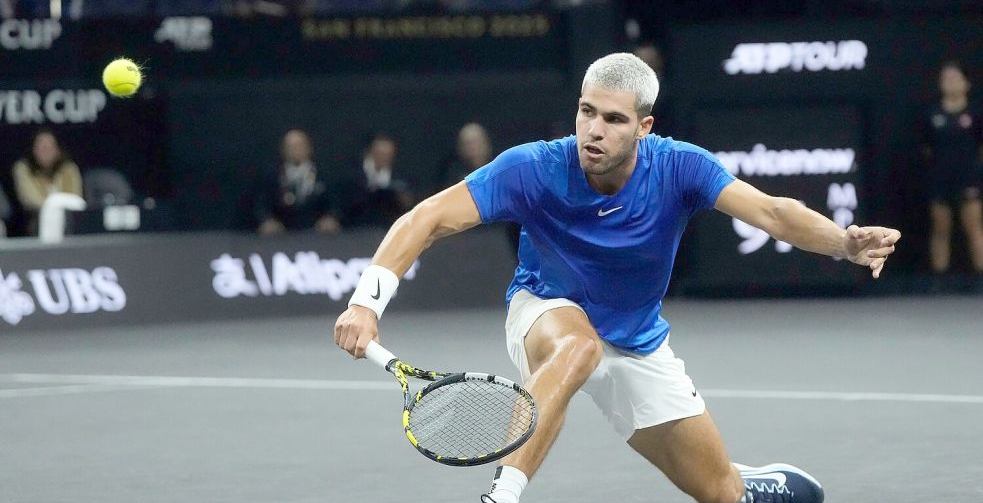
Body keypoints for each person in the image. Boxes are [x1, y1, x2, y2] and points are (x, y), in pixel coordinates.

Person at [334, 53, 901, 503]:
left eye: (613, 119)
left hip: (636, 341)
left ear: (644, 127)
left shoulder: (681, 166)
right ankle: (502, 496)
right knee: (577, 348)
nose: (594, 130)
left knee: (721, 493)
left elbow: (774, 213)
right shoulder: (531, 168)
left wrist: (843, 243)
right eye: (586, 112)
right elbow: (425, 219)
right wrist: (366, 302)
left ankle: (751, 485)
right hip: (545, 310)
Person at [921, 61, 983, 276]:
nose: (951, 83)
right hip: (940, 179)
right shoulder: (932, 114)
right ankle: (939, 279)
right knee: (940, 230)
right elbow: (926, 147)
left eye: (955, 79)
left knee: (975, 229)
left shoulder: (976, 113)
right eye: (946, 79)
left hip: (969, 179)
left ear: (966, 84)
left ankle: (979, 278)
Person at [253, 128, 340, 236]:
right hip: (280, 237)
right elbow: (262, 204)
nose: (296, 150)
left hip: (318, 236)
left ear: (309, 148)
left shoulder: (324, 176)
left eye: (300, 146)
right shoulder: (272, 177)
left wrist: (331, 218)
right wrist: (267, 220)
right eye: (291, 147)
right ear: (283, 150)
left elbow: (335, 203)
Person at [12, 128, 83, 236]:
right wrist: (54, 206)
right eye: (41, 148)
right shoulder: (22, 169)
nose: (45, 152)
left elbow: (76, 199)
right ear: (33, 150)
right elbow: (30, 199)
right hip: (37, 221)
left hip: (70, 221)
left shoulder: (69, 169)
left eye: (49, 147)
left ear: (58, 150)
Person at [341, 132, 414, 228]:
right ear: (370, 152)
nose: (383, 157)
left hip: (385, 228)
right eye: (380, 153)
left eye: (387, 154)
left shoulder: (400, 178)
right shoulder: (352, 174)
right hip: (354, 229)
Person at [437, 122, 493, 189]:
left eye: (476, 142)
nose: (473, 147)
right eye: (468, 143)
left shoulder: (498, 169)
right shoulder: (453, 177)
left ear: (485, 143)